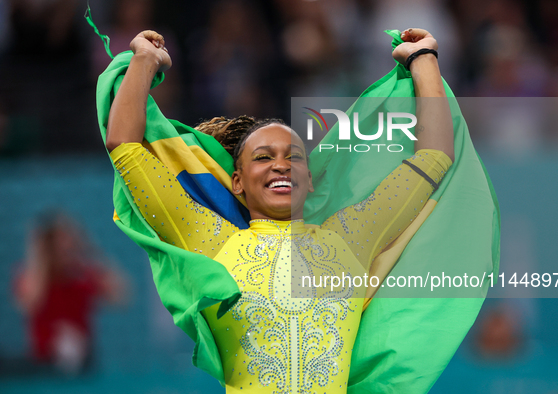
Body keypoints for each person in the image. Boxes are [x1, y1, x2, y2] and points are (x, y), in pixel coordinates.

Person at [105, 28, 453, 393]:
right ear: (237, 182)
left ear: (310, 180)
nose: (281, 165)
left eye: (294, 157)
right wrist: (145, 59)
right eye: (263, 157)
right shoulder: (209, 240)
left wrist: (423, 58)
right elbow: (124, 146)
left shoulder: (351, 237)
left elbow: (434, 157)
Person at [13, 211, 126, 375]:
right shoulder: (32, 277)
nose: (65, 250)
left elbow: (120, 296)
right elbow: (29, 302)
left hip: (82, 364)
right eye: (59, 244)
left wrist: (90, 250)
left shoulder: (84, 276)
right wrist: (37, 254)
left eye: (70, 244)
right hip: (42, 366)